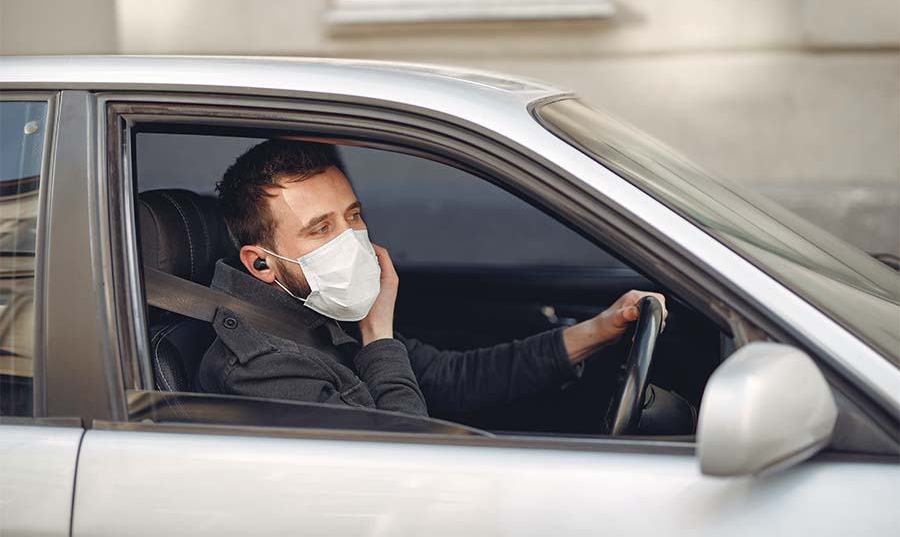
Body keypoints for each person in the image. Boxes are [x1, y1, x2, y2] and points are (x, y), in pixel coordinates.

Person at [197, 140, 667, 420]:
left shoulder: (317, 311)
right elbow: (400, 467)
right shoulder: (259, 368)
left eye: (353, 216)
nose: (353, 239)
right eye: (321, 228)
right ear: (261, 264)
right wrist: (378, 336)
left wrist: (597, 331)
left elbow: (451, 378)